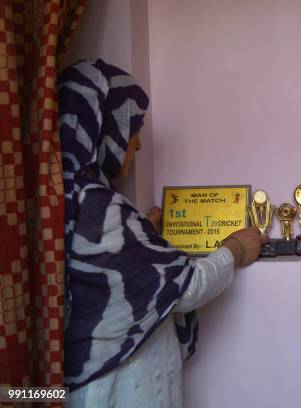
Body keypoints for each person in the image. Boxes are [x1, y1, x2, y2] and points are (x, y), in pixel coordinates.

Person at [58, 59, 267, 407]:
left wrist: (142, 238)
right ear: (103, 126)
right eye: (131, 127)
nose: (137, 143)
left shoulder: (63, 200)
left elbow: (114, 274)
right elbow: (185, 288)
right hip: (120, 388)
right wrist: (235, 249)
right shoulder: (96, 204)